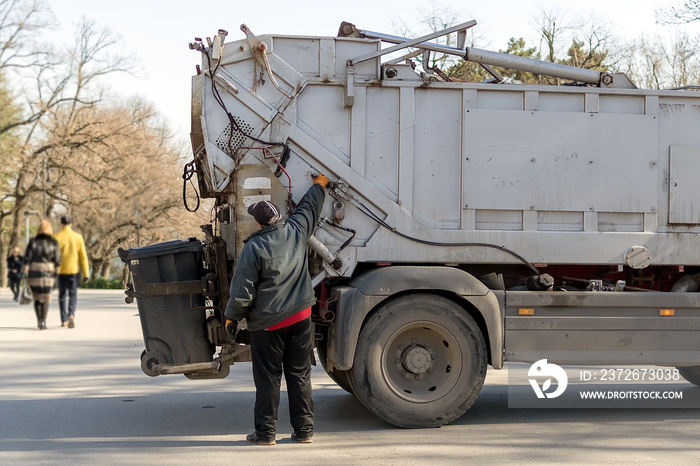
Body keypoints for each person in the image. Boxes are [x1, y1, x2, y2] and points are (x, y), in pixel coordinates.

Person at [224, 173, 330, 446]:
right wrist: (319, 185)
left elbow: (243, 290)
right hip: (301, 317)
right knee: (299, 374)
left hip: (268, 324)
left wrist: (231, 319)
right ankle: (304, 431)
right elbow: (310, 207)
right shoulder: (296, 229)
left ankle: (265, 433)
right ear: (279, 216)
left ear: (259, 222)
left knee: (269, 378)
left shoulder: (254, 248)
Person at [22, 220, 61, 330]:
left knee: (37, 297)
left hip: (34, 272)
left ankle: (39, 320)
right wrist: (57, 274)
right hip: (48, 272)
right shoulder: (53, 242)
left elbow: (27, 258)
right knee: (46, 297)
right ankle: (43, 321)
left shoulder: (33, 241)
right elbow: (57, 260)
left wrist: (24, 272)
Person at [54, 215, 89, 328]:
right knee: (73, 294)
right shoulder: (77, 237)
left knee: (62, 295)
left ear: (61, 224)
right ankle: (71, 314)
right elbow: (83, 256)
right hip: (74, 270)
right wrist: (86, 273)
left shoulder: (56, 237)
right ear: (71, 224)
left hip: (60, 271)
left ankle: (64, 320)